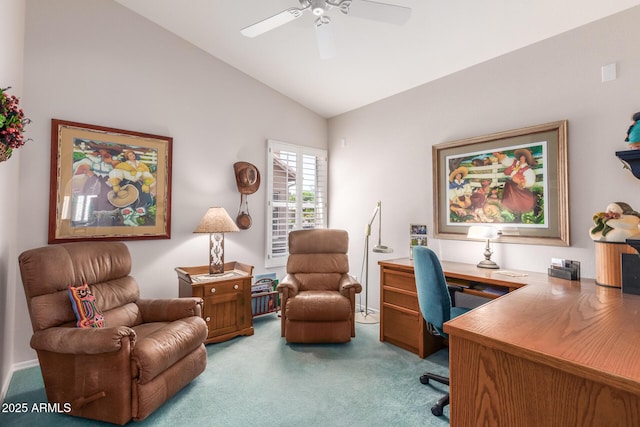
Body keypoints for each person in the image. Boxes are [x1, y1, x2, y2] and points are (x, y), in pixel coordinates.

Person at [500, 148, 537, 214]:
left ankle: (517, 211)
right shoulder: (515, 163)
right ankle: (509, 209)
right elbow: (506, 161)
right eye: (521, 156)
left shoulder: (527, 170)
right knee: (508, 199)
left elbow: (530, 182)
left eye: (524, 157)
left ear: (527, 159)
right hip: (510, 185)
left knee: (517, 201)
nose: (521, 158)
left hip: (518, 188)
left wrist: (521, 183)